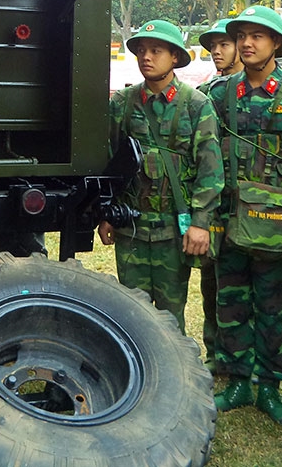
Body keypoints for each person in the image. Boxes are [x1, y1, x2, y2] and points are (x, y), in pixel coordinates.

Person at [204, 5, 282, 429]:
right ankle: (236, 381)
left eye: (258, 36)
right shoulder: (218, 95)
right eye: (242, 36)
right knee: (230, 302)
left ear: (276, 45)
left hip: (278, 222)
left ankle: (269, 385)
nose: (247, 43)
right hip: (229, 219)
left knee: (272, 305)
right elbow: (207, 157)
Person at [98, 19, 223, 334]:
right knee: (130, 310)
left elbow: (210, 169)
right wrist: (106, 213)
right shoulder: (122, 104)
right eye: (141, 50)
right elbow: (108, 162)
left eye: (156, 50)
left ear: (176, 58)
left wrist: (199, 223)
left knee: (170, 312)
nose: (146, 57)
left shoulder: (196, 105)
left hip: (172, 228)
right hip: (132, 227)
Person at [196, 18, 244, 371]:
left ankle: (246, 357)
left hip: (251, 206)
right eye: (213, 45)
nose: (216, 51)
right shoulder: (209, 92)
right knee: (212, 282)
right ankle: (216, 353)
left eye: (224, 44)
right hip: (216, 207)